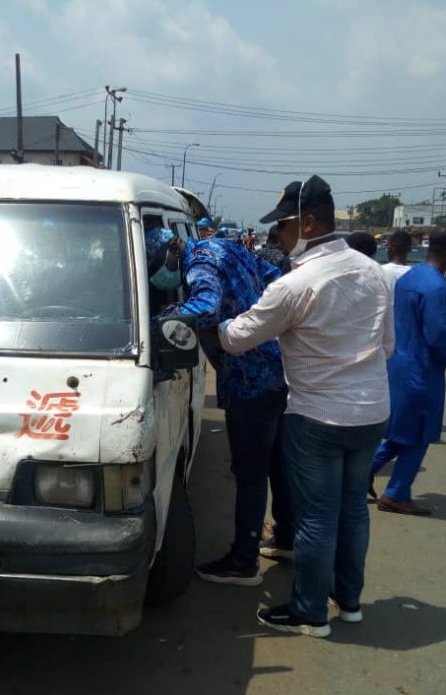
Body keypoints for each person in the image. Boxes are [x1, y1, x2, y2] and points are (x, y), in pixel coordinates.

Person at [218, 175, 393, 638]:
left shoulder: (296, 284)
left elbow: (237, 340)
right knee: (353, 508)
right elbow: (387, 346)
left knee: (316, 516)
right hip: (372, 410)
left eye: (284, 226)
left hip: (317, 415)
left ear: (308, 222)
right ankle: (348, 600)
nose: (279, 236)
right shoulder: (372, 272)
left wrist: (210, 317)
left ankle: (310, 612)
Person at [161, 223, 294, 585]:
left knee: (250, 474)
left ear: (172, 253)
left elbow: (204, 307)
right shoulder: (231, 248)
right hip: (272, 365)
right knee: (277, 464)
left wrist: (158, 319)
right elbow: (272, 273)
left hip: (247, 376)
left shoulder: (199, 261)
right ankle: (286, 538)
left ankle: (243, 561)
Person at [371, 225, 446, 515]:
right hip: (421, 372)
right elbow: (437, 339)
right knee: (417, 435)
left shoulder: (412, 276)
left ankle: (360, 475)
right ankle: (396, 493)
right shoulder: (436, 288)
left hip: (398, 365)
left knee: (399, 433)